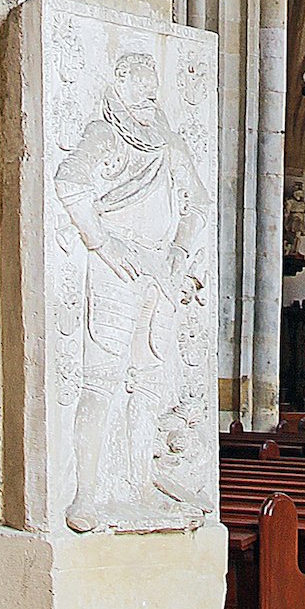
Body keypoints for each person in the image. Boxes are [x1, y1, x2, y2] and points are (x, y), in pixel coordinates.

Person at [55, 49, 206, 530]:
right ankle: (86, 494)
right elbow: (70, 184)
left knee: (148, 384)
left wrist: (179, 255)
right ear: (119, 85)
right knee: (100, 379)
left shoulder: (168, 142)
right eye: (140, 85)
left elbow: (197, 204)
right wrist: (101, 243)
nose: (149, 94)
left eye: (151, 86)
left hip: (159, 272)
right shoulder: (103, 134)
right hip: (117, 267)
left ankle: (141, 481)